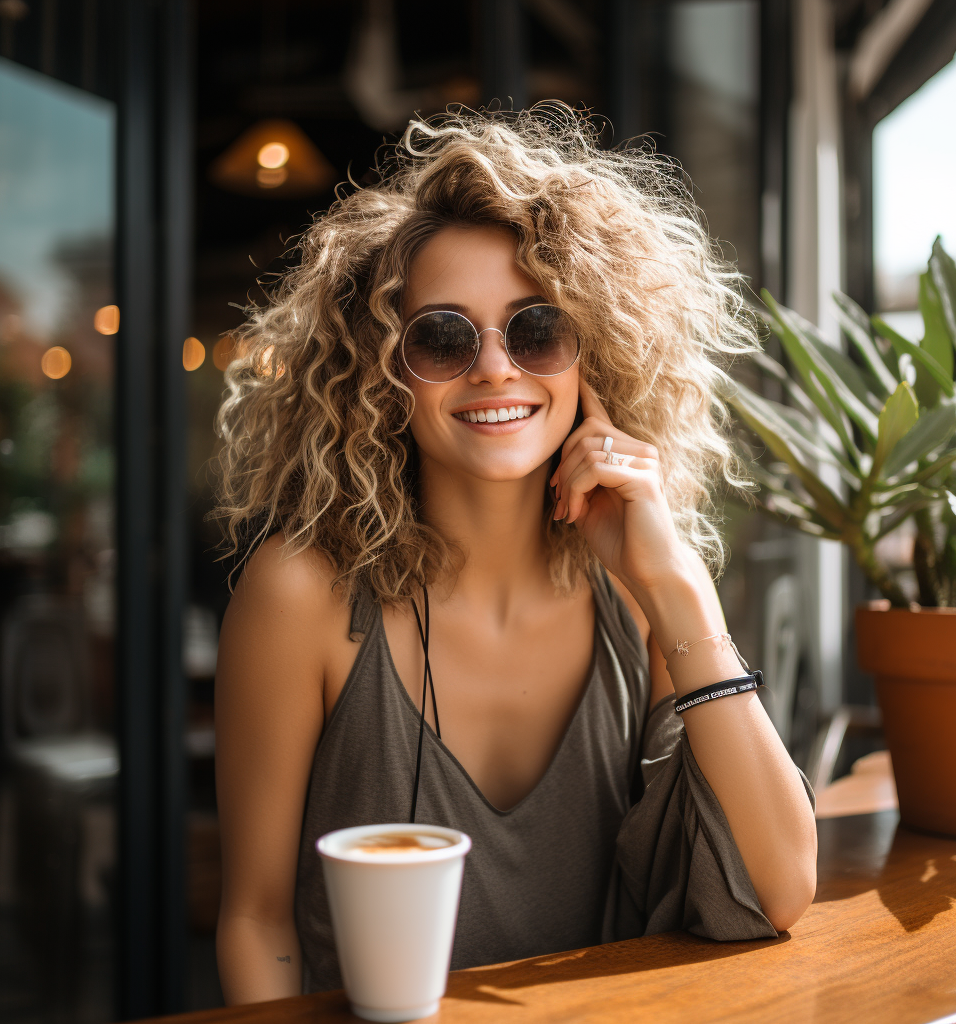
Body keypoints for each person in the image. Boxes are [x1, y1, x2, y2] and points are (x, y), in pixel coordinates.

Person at [212, 103, 817, 1004]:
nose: (496, 368)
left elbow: (780, 891)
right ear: (385, 373)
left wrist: (680, 589)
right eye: (443, 339)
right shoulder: (301, 595)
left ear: (591, 359)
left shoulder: (642, 595)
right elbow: (257, 922)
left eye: (536, 330)